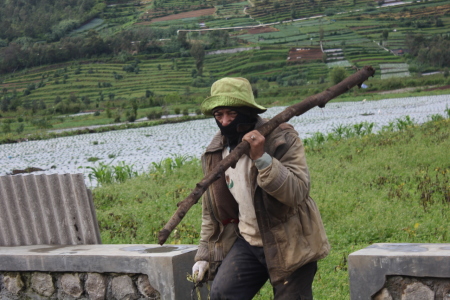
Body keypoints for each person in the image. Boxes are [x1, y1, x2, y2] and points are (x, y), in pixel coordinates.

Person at [192, 77, 330, 300]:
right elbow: (211, 210)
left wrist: (262, 159)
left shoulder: (281, 138)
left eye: (232, 114)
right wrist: (204, 255)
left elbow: (297, 193)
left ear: (247, 111)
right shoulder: (216, 151)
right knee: (222, 294)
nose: (225, 121)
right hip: (249, 242)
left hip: (290, 241)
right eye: (219, 115)